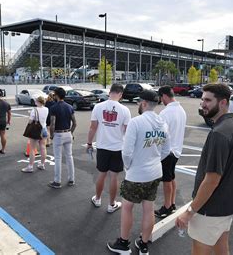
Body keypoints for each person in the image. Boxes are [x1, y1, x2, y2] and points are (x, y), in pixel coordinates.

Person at [175, 83, 233, 254]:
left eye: (208, 100)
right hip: (225, 206)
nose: (203, 104)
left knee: (200, 250)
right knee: (221, 247)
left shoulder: (219, 133)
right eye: (202, 100)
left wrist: (190, 211)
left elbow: (212, 180)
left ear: (223, 103)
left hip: (210, 209)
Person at [107, 90, 170, 255]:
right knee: (148, 208)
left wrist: (129, 166)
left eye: (138, 103)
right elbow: (166, 150)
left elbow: (126, 152)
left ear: (143, 103)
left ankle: (123, 243)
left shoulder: (136, 122)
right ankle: (143, 245)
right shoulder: (163, 123)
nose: (137, 105)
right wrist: (154, 160)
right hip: (155, 172)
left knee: (127, 207)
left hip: (137, 173)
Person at [87, 83, 131, 213]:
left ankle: (98, 199)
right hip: (118, 147)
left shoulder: (98, 107)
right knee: (114, 177)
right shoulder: (125, 110)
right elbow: (127, 131)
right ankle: (111, 204)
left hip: (102, 146)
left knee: (102, 174)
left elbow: (93, 127)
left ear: (110, 92)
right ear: (121, 94)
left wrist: (89, 143)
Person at [155, 85, 187, 218]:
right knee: (171, 177)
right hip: (177, 149)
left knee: (167, 180)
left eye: (161, 98)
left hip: (167, 151)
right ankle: (172, 203)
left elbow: (160, 134)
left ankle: (167, 206)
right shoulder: (181, 110)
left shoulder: (165, 113)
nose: (161, 101)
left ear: (164, 96)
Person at [48, 87, 77, 189]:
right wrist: (71, 133)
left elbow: (52, 124)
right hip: (68, 133)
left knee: (58, 158)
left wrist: (51, 135)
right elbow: (75, 123)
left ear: (56, 95)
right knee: (69, 157)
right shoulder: (69, 107)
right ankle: (71, 179)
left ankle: (57, 181)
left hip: (58, 134)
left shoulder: (54, 108)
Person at [21, 96, 49, 173]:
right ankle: (42, 164)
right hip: (44, 129)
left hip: (36, 130)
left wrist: (30, 114)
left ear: (38, 102)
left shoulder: (34, 110)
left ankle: (30, 166)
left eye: (36, 101)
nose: (35, 102)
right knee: (43, 147)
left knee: (32, 148)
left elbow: (30, 121)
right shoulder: (46, 109)